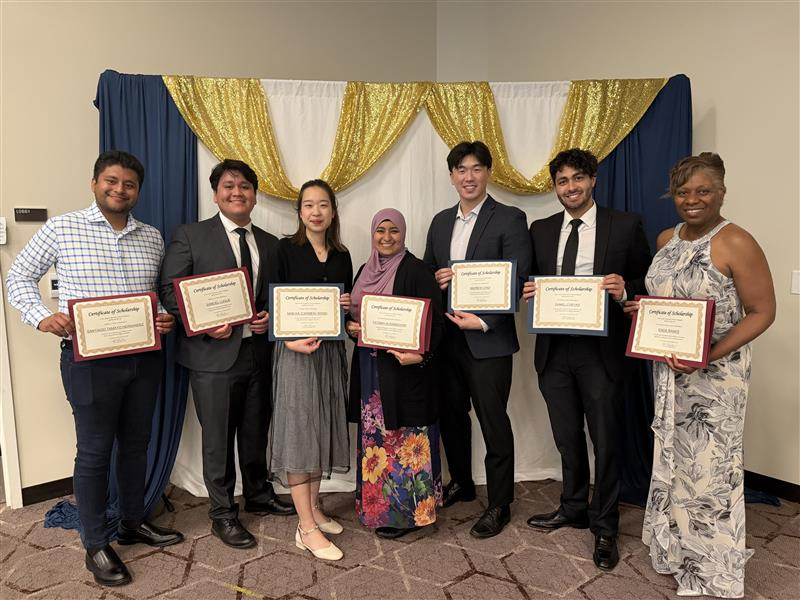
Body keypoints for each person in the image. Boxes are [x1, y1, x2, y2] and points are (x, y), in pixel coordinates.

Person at [6, 150, 184, 586]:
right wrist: (41, 316)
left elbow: (151, 294)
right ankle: (96, 543)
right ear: (94, 183)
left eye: (128, 184)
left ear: (138, 191)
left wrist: (164, 314)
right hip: (89, 364)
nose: (119, 189)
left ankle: (131, 522)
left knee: (136, 445)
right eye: (111, 181)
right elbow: (17, 277)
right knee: (94, 452)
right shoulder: (62, 228)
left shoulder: (152, 236)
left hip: (144, 358)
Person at [628, 153, 775, 598]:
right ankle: (677, 549)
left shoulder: (736, 242)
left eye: (703, 191)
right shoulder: (666, 238)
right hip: (670, 374)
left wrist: (708, 354)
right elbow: (668, 300)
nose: (692, 200)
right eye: (683, 192)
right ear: (672, 195)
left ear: (721, 193)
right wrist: (645, 312)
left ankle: (711, 565)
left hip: (716, 376)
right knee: (674, 461)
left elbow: (763, 312)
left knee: (711, 468)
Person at [524, 148, 651, 571]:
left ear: (593, 179)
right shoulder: (540, 229)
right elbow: (528, 279)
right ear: (555, 187)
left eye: (578, 178)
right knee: (566, 436)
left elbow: (647, 280)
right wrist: (526, 290)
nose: (571, 187)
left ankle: (605, 524)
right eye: (562, 181)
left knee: (606, 439)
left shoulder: (625, 224)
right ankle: (573, 505)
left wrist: (625, 289)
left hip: (602, 351)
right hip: (555, 350)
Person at [159, 159, 295, 550]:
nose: (238, 192)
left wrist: (269, 316)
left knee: (255, 430)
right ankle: (222, 513)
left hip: (257, 354)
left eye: (245, 186)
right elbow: (170, 291)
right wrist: (203, 322)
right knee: (218, 438)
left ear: (254, 194)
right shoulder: (191, 235)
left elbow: (270, 295)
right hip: (210, 355)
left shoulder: (268, 242)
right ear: (216, 193)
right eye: (229, 186)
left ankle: (257, 493)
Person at [423, 140, 532, 538]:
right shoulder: (439, 222)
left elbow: (518, 278)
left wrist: (484, 321)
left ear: (488, 172)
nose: (468, 177)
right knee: (452, 415)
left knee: (493, 421)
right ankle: (463, 484)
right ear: (452, 176)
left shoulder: (509, 218)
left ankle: (500, 502)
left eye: (476, 169)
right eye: (460, 170)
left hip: (488, 340)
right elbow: (429, 272)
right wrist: (436, 281)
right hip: (448, 340)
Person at [266, 179, 352, 561]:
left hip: (329, 354)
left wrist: (347, 307)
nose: (316, 212)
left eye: (323, 205)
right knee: (300, 433)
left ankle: (314, 506)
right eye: (308, 205)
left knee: (321, 427)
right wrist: (287, 341)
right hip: (296, 354)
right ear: (299, 212)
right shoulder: (284, 249)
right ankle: (305, 527)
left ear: (332, 211)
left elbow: (339, 305)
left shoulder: (341, 254)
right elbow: (268, 300)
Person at [346, 209, 445, 539]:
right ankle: (376, 507)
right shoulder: (364, 269)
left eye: (394, 231)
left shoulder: (417, 270)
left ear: (403, 233)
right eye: (380, 231)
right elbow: (356, 317)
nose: (387, 237)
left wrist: (421, 354)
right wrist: (350, 327)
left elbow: (437, 324)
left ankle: (407, 513)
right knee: (376, 441)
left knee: (404, 440)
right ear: (373, 234)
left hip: (403, 372)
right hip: (370, 371)